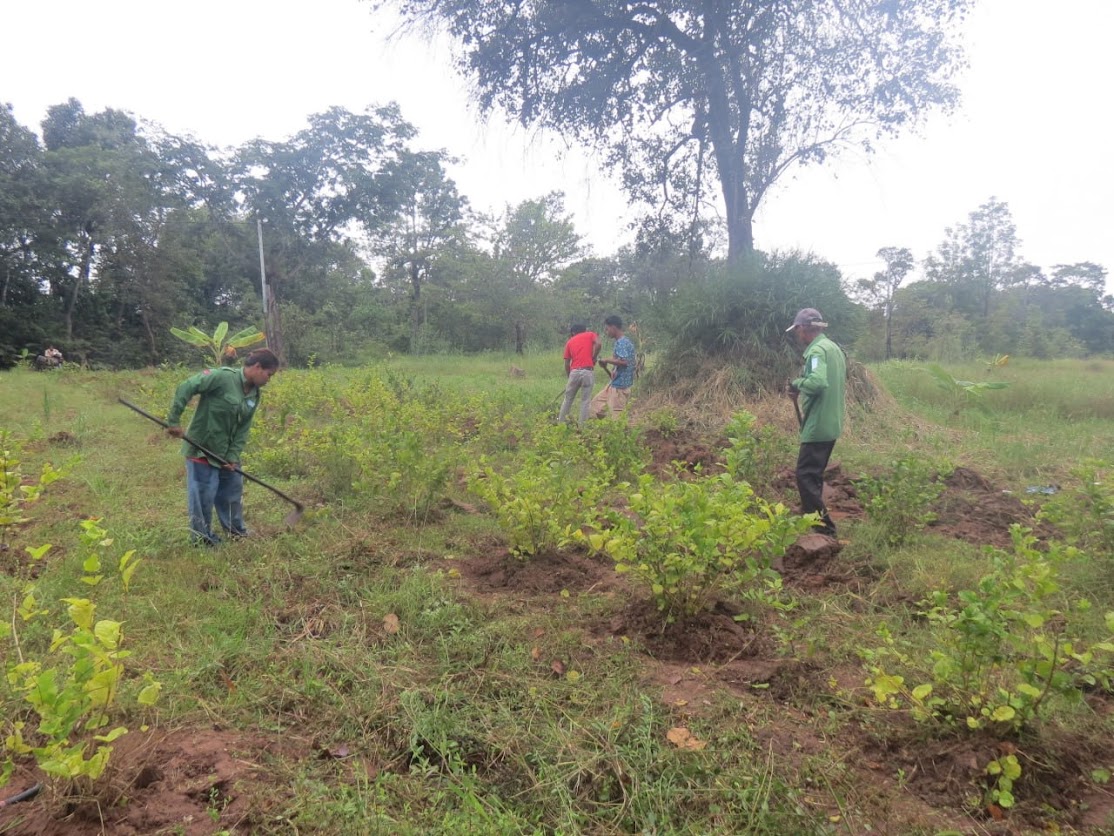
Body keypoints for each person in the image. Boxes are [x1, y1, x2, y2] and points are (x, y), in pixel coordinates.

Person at [166, 348, 280, 546]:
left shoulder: (255, 393)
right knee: (202, 498)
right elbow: (186, 386)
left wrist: (233, 456)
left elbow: (243, 427)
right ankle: (202, 540)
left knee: (232, 494)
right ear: (257, 367)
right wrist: (174, 421)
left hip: (227, 453)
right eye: (269, 374)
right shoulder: (222, 377)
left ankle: (236, 532)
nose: (269, 379)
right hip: (202, 447)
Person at [786, 308, 846, 537]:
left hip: (818, 425)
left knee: (805, 475)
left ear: (803, 328)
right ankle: (812, 518)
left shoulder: (817, 352)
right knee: (814, 475)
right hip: (831, 422)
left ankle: (823, 531)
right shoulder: (833, 348)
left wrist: (797, 383)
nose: (796, 335)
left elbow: (818, 382)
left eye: (797, 330)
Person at [593, 315, 636, 419]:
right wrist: (610, 368)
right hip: (615, 383)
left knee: (616, 417)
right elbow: (619, 361)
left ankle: (618, 432)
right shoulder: (621, 342)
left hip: (620, 387)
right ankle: (604, 429)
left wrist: (607, 360)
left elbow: (624, 361)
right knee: (596, 406)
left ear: (613, 327)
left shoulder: (622, 342)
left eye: (607, 329)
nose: (607, 332)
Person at [557, 322, 601, 425]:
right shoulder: (590, 334)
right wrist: (593, 358)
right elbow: (598, 344)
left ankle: (561, 423)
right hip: (587, 371)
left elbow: (567, 363)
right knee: (585, 401)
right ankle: (582, 427)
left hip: (574, 372)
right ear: (584, 329)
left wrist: (570, 377)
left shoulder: (570, 342)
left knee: (568, 399)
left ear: (573, 332)